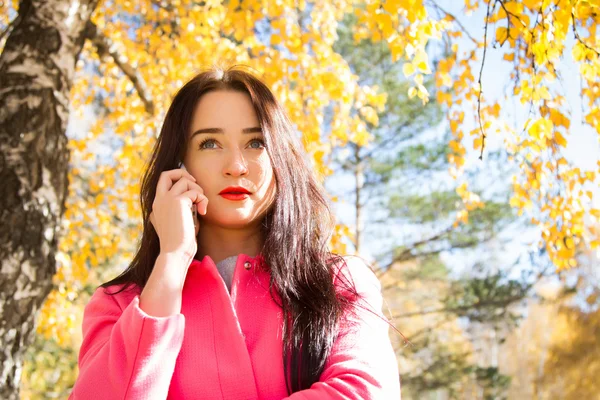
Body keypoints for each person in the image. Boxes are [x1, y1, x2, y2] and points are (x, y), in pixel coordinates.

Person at [69, 64, 401, 399]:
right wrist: (172, 259)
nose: (236, 166)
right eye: (210, 143)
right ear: (179, 166)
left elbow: (363, 392)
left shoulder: (338, 284)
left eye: (256, 142)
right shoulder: (122, 304)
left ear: (280, 159)